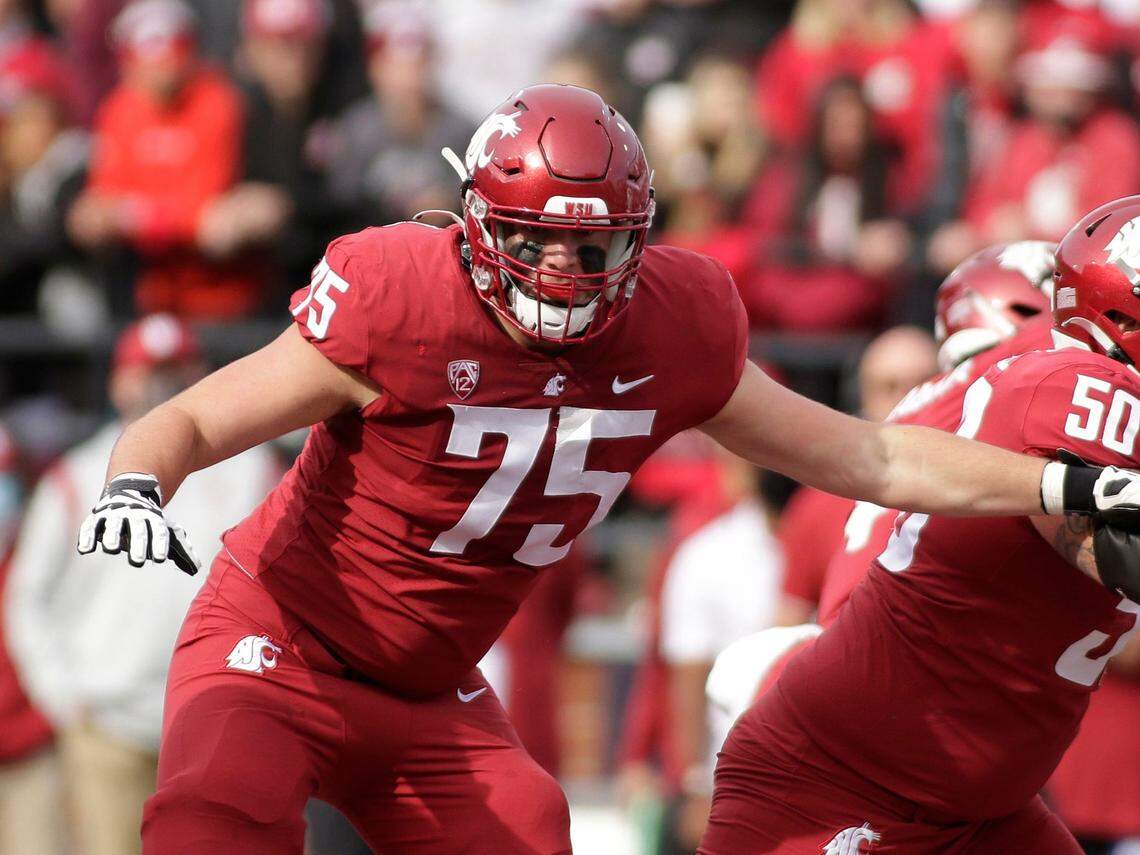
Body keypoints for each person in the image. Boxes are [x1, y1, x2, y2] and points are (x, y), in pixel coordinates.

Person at [72, 86, 1140, 854]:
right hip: (282, 637)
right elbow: (198, 416)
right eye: (533, 239)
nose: (559, 272)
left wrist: (1056, 485)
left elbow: (873, 454)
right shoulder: (397, 292)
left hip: (433, 688)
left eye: (592, 249)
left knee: (536, 828)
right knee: (215, 814)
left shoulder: (675, 323)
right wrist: (135, 479)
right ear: (478, 224)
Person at [699, 201, 1140, 854]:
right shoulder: (1080, 382)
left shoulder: (998, 381)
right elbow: (1112, 548)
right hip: (844, 778)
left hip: (978, 797)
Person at [710, 240, 1058, 717]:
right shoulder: (1006, 389)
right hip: (890, 692)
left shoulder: (939, 412)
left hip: (861, 682)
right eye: (889, 384)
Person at [6, 314, 280, 855]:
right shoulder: (77, 474)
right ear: (118, 381)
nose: (162, 384)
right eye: (148, 370)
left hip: (223, 719)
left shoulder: (252, 466)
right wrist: (64, 695)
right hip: (110, 721)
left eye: (176, 368)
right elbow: (26, 596)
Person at [774, 324, 938, 627]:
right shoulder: (818, 503)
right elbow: (788, 623)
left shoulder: (984, 488)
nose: (909, 398)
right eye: (890, 386)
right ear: (863, 397)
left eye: (925, 382)